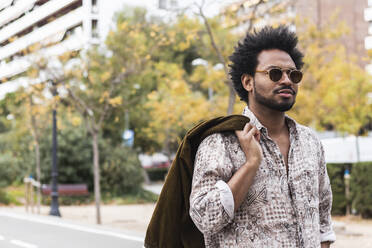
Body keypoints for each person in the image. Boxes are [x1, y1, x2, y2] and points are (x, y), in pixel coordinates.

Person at [189, 26, 336, 248]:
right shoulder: (221, 142)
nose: (287, 80)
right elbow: (205, 218)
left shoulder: (310, 142)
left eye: (293, 74)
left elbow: (323, 219)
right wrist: (251, 165)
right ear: (248, 82)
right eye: (275, 73)